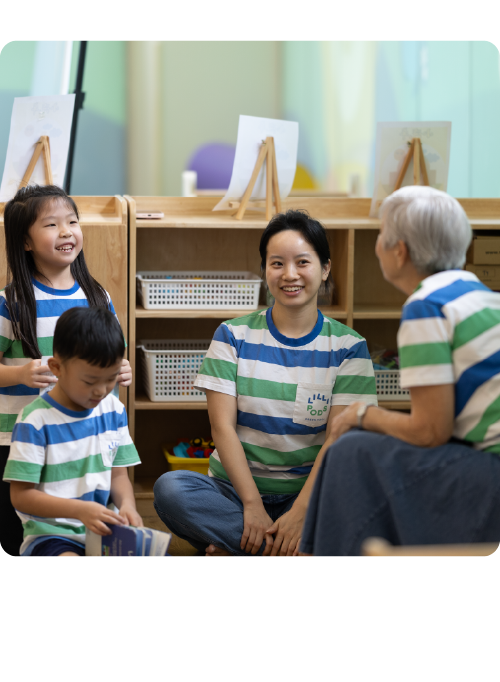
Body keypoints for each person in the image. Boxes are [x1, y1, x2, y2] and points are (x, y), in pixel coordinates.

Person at [154, 210, 378, 557]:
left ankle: (243, 548)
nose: (290, 275)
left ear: (326, 268)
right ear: (265, 270)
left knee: (368, 501)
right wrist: (252, 505)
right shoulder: (232, 335)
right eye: (277, 264)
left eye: (303, 262)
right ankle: (287, 552)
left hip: (309, 495)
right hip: (234, 493)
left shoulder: (350, 347)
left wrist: (301, 512)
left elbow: (338, 440)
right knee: (171, 490)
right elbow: (222, 428)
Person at [299, 185, 500, 557]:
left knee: (350, 451)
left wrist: (362, 414)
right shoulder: (484, 297)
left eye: (380, 235)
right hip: (483, 458)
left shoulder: (426, 306)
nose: (377, 244)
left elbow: (430, 432)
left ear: (400, 250)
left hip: (490, 474)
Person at [0, 185, 133, 568]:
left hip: (82, 441)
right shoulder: (13, 302)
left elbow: (112, 356)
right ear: (25, 241)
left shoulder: (97, 297)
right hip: (20, 438)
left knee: (76, 529)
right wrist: (20, 372)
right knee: (30, 538)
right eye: (52, 224)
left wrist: (121, 368)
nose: (66, 231)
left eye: (72, 222)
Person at [3, 306, 142, 567]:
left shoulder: (114, 411)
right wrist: (79, 510)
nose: (101, 391)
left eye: (111, 379)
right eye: (89, 381)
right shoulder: (34, 421)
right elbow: (21, 496)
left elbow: (118, 474)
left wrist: (128, 507)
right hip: (53, 536)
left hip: (105, 532)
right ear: (57, 368)